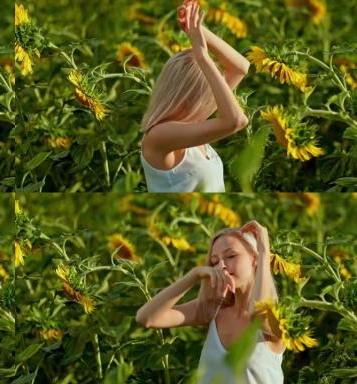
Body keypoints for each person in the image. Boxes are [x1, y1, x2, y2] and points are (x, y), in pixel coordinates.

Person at [135, 221, 284, 383]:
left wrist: (264, 253)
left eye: (231, 256)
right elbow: (146, 318)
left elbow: (258, 315)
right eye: (214, 261)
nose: (221, 266)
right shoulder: (214, 309)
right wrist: (195, 274)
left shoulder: (280, 321)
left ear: (254, 259)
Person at [140, 0, 250, 192]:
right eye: (208, 90)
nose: (214, 95)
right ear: (191, 95)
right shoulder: (159, 135)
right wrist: (201, 55)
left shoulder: (193, 123)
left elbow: (241, 68)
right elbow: (236, 121)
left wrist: (196, 30)